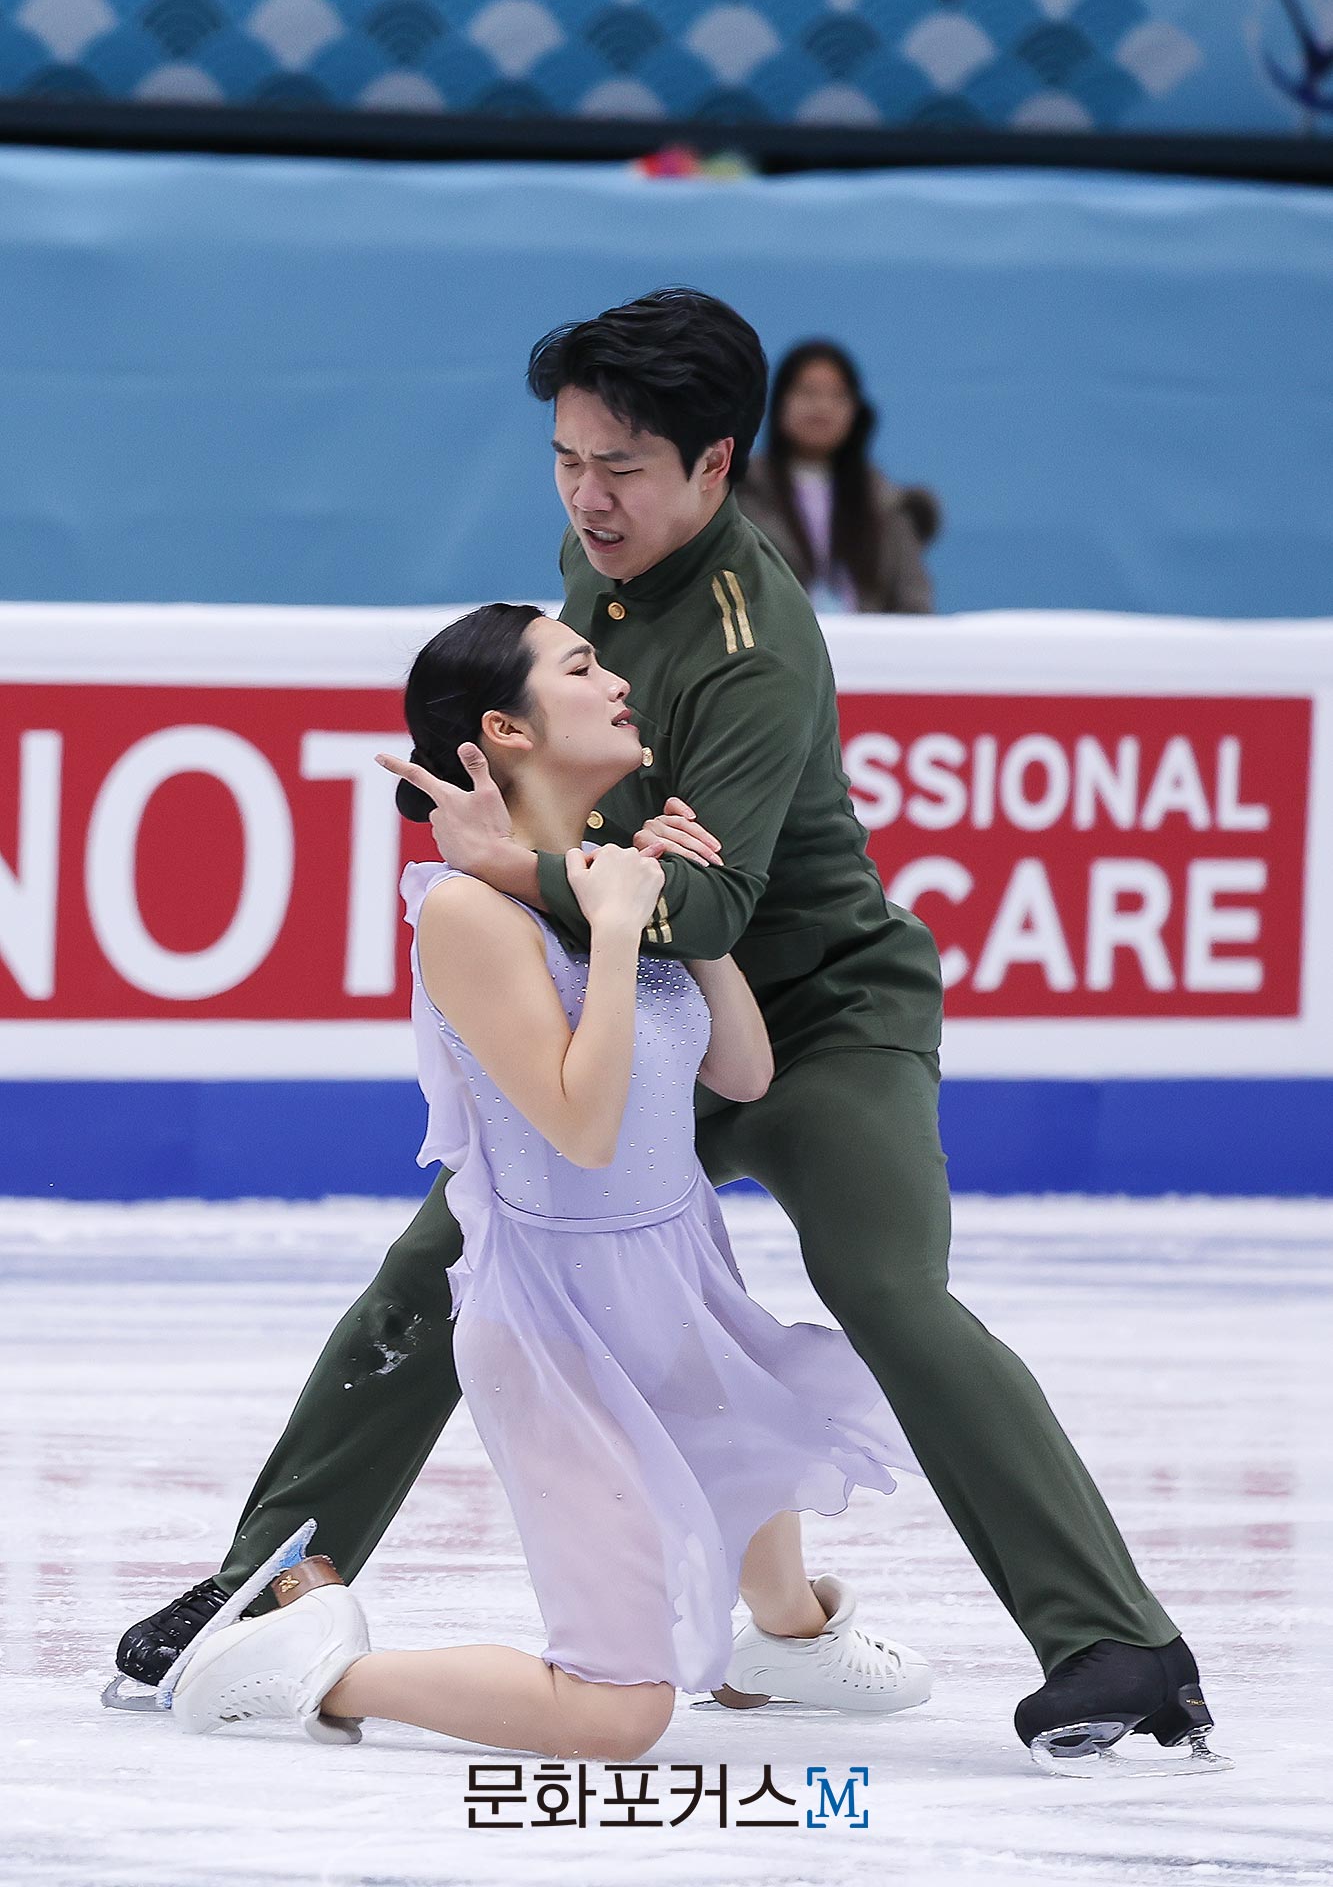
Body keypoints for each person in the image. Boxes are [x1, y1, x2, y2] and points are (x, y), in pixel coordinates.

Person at [119, 288, 1220, 1771]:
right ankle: (275, 1578)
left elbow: (706, 911)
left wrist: (502, 862)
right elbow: (606, 839)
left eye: (622, 466)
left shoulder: (758, 645)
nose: (587, 496)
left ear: (716, 466)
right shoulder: (596, 559)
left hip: (813, 1011)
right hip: (635, 1003)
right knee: (453, 1255)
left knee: (886, 1290)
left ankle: (1112, 1641)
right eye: (568, 458)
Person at [168, 604, 930, 1752]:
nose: (617, 679)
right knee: (619, 1712)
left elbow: (743, 1065)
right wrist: (619, 935)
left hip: (676, 1264)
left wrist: (688, 908)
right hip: (559, 1316)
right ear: (505, 729)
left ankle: (784, 1638)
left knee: (765, 1446)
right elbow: (581, 1124)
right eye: (580, 665)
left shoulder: (599, 873)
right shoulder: (471, 912)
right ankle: (316, 1662)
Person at [737, 339, 938, 614]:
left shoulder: (886, 505)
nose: (822, 407)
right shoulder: (740, 496)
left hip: (870, 653)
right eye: (807, 392)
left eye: (838, 395)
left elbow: (914, 603)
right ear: (778, 403)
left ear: (855, 410)